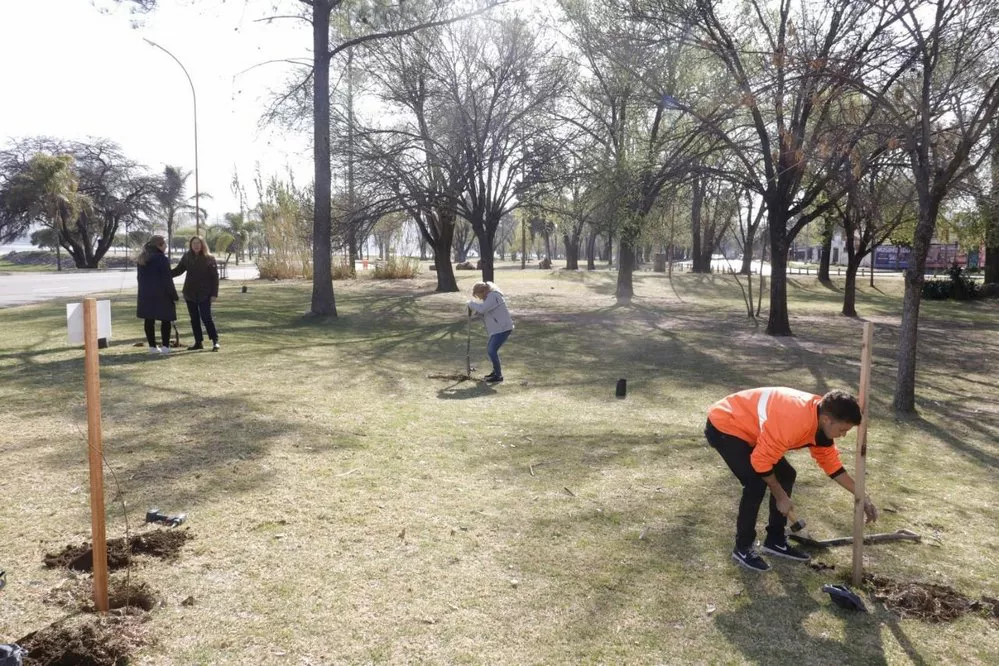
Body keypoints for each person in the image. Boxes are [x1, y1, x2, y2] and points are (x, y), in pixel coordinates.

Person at [704, 387, 879, 572]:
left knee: (786, 474)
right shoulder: (794, 421)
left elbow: (832, 465)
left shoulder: (820, 420)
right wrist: (780, 496)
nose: (843, 435)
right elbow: (761, 461)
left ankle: (775, 540)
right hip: (726, 423)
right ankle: (743, 547)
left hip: (753, 428)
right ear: (827, 419)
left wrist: (862, 495)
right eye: (842, 430)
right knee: (755, 483)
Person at [171, 236, 221, 351]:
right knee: (194, 319)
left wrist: (214, 294)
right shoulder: (187, 257)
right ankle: (198, 342)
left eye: (198, 243)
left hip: (205, 293)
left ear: (202, 244)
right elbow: (178, 270)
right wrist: (165, 274)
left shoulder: (209, 258)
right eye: (194, 243)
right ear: (191, 245)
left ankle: (215, 341)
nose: (196, 245)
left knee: (206, 317)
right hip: (190, 293)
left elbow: (215, 277)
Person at [136, 235, 178, 355]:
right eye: (165, 244)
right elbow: (167, 279)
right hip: (162, 294)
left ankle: (152, 347)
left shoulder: (142, 258)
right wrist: (174, 295)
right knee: (166, 319)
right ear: (159, 245)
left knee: (149, 320)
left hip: (146, 294)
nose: (165, 246)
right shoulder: (161, 259)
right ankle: (165, 346)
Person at [467, 281, 514, 383]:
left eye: (478, 295)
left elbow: (483, 309)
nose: (479, 298)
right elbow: (487, 312)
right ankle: (496, 372)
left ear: (483, 291)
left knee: (491, 351)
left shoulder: (493, 296)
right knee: (491, 350)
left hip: (503, 328)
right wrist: (478, 313)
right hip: (498, 328)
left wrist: (471, 304)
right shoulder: (490, 298)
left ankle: (498, 375)